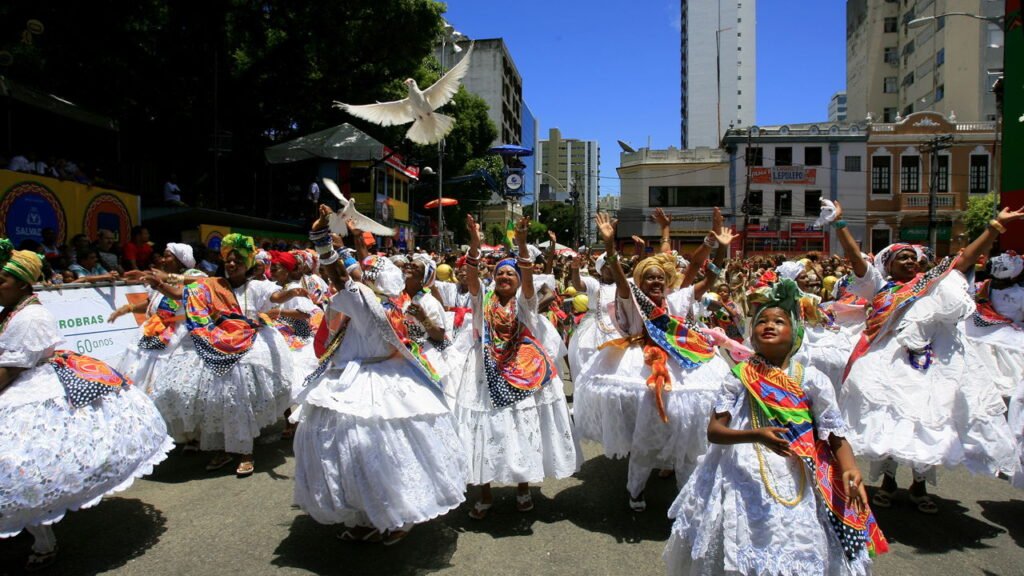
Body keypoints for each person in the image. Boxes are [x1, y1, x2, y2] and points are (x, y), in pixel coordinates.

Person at [664, 278, 888, 575]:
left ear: (795, 332)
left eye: (779, 321)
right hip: (743, 467)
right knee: (742, 529)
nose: (769, 325)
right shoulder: (739, 376)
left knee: (798, 535)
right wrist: (756, 435)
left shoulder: (812, 380)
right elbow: (715, 431)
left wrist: (849, 469)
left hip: (801, 469)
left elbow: (834, 433)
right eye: (761, 322)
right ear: (751, 336)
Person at [292, 206, 467, 545]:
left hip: (376, 384)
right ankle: (364, 514)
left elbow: (342, 277)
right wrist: (350, 241)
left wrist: (322, 242)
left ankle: (395, 514)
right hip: (356, 379)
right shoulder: (390, 298)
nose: (359, 277)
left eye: (364, 276)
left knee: (376, 451)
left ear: (371, 282)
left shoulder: (367, 302)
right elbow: (355, 271)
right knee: (352, 452)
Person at [834, 201, 1022, 513]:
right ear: (888, 265)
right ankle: (888, 482)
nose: (909, 261)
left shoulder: (931, 284)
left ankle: (919, 485)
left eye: (913, 257)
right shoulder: (880, 287)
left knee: (928, 423)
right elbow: (856, 259)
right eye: (901, 257)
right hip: (888, 364)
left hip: (930, 365)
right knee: (891, 422)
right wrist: (840, 225)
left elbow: (964, 260)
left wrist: (994, 227)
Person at [0, 244, 173, 571]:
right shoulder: (12, 310)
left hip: (31, 387)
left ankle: (42, 538)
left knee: (21, 465)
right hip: (25, 383)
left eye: (3, 280)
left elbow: (12, 368)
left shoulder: (31, 316)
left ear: (23, 283)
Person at [579, 212, 733, 511]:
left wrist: (722, 248)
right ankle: (636, 490)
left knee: (685, 429)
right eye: (649, 277)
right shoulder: (632, 297)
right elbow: (618, 275)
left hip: (680, 366)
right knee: (645, 437)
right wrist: (610, 246)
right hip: (640, 367)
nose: (655, 281)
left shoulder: (677, 301)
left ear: (667, 282)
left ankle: (685, 495)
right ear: (640, 281)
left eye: (660, 278)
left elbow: (711, 277)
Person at [453, 214, 581, 519]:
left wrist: (522, 244)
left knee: (521, 430)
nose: (504, 278)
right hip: (485, 373)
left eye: (510, 274)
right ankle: (484, 496)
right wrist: (474, 241)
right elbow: (472, 276)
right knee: (483, 431)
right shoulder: (481, 300)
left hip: (522, 373)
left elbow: (528, 279)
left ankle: (523, 490)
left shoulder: (526, 304)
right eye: (500, 275)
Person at [148, 233, 301, 477]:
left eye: (237, 260)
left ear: (248, 263)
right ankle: (224, 447)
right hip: (219, 342)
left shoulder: (257, 286)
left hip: (251, 345)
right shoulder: (213, 284)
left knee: (238, 397)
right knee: (216, 401)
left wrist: (291, 294)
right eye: (228, 260)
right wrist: (159, 285)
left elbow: (275, 297)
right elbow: (183, 294)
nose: (231, 264)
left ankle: (245, 451)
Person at [111, 243, 203, 394]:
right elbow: (153, 302)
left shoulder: (195, 276)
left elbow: (178, 293)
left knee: (161, 371)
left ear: (181, 260)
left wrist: (160, 281)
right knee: (140, 365)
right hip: (154, 329)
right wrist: (129, 308)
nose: (162, 260)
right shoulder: (162, 277)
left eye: (168, 256)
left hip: (177, 335)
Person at [963, 252, 1024, 398]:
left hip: (985, 338)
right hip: (1009, 342)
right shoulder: (1020, 294)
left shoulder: (979, 287)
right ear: (1015, 276)